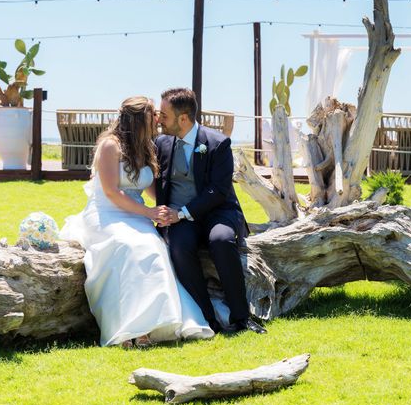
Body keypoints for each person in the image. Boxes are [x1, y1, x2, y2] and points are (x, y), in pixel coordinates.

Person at [60, 96, 215, 347]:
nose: (157, 119)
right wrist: (149, 214)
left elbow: (152, 191)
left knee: (154, 247)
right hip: (107, 213)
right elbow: (111, 191)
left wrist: (171, 210)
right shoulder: (110, 146)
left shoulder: (147, 146)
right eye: (152, 114)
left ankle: (151, 324)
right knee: (127, 246)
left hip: (136, 213)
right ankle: (127, 327)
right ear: (137, 119)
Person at [155, 87, 266, 334]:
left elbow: (218, 191)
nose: (158, 119)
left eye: (163, 114)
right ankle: (207, 319)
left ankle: (241, 317)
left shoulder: (217, 143)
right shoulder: (162, 143)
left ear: (183, 119)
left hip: (218, 212)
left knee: (221, 240)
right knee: (179, 246)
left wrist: (182, 212)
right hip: (181, 220)